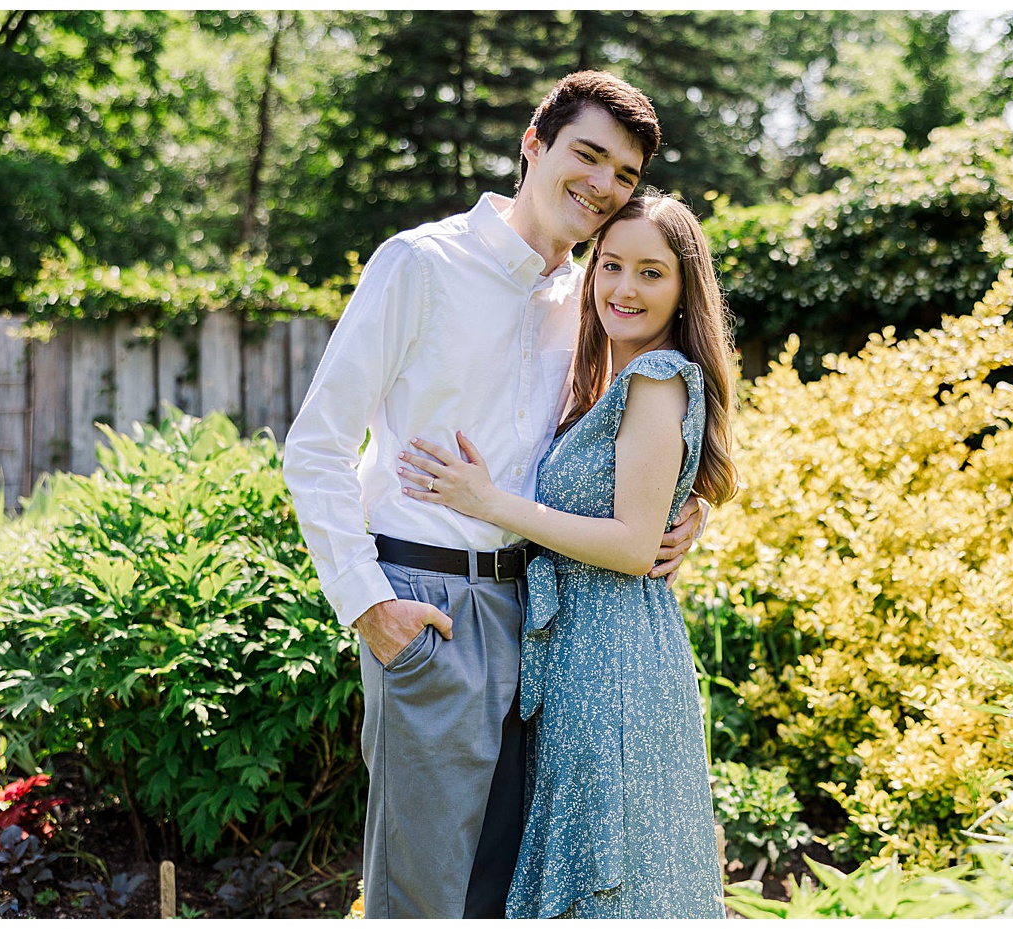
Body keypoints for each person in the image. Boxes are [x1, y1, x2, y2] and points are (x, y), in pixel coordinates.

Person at [283, 72, 705, 919]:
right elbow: (317, 444)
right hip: (430, 603)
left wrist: (681, 511)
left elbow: (618, 445)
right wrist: (370, 606)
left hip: (550, 622)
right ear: (534, 146)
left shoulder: (591, 297)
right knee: (422, 894)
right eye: (587, 155)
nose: (603, 185)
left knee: (506, 895)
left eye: (624, 175)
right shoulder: (421, 264)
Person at [397, 191, 737, 918]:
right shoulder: (609, 376)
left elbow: (631, 543)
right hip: (584, 652)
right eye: (611, 265)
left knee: (613, 871)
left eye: (652, 272)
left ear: (684, 289)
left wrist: (487, 501)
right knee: (595, 863)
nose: (624, 288)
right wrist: (692, 511)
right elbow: (648, 506)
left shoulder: (655, 378)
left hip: (612, 665)